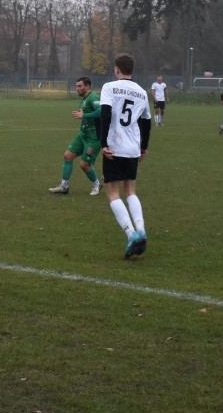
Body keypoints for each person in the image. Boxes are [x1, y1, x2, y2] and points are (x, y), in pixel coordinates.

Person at [100, 54, 152, 259]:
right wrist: (144, 147)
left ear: (117, 69)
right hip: (132, 148)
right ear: (132, 69)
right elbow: (147, 122)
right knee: (130, 191)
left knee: (113, 193)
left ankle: (131, 234)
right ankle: (141, 230)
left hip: (114, 147)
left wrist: (104, 144)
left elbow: (105, 114)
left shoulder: (109, 87)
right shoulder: (142, 92)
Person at [49, 76, 103, 196]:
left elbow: (101, 111)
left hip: (93, 138)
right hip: (83, 135)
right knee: (68, 155)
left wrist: (83, 116)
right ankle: (64, 186)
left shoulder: (93, 97)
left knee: (84, 165)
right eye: (76, 86)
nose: (77, 88)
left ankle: (97, 184)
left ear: (87, 86)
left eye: (79, 86)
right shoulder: (84, 100)